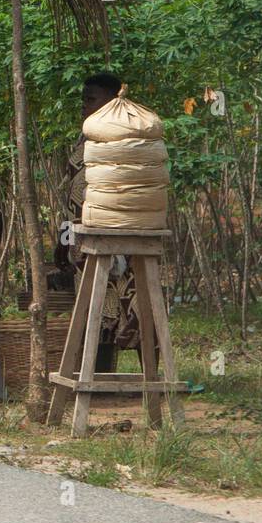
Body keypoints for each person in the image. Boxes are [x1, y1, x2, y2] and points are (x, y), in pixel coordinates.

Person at [53, 71, 149, 367]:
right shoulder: (87, 136)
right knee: (95, 313)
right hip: (85, 241)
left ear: (112, 100)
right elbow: (72, 194)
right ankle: (98, 374)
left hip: (123, 237)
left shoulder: (128, 137)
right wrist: (63, 237)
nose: (84, 105)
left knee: (136, 307)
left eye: (91, 99)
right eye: (83, 99)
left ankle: (152, 382)